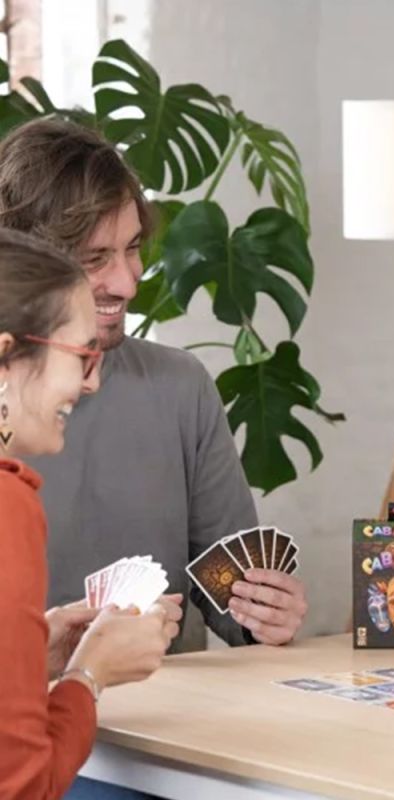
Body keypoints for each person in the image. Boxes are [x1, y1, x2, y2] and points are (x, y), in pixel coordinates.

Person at [0, 119, 308, 799]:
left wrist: (263, 614)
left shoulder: (180, 387)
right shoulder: (10, 497)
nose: (129, 281)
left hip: (172, 747)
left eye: (135, 249)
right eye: (95, 257)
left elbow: (232, 599)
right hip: (60, 754)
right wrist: (80, 673)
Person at [0, 229, 176, 799]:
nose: (92, 380)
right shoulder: (8, 507)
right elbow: (23, 786)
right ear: (5, 356)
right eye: (81, 356)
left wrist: (34, 653)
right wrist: (88, 675)